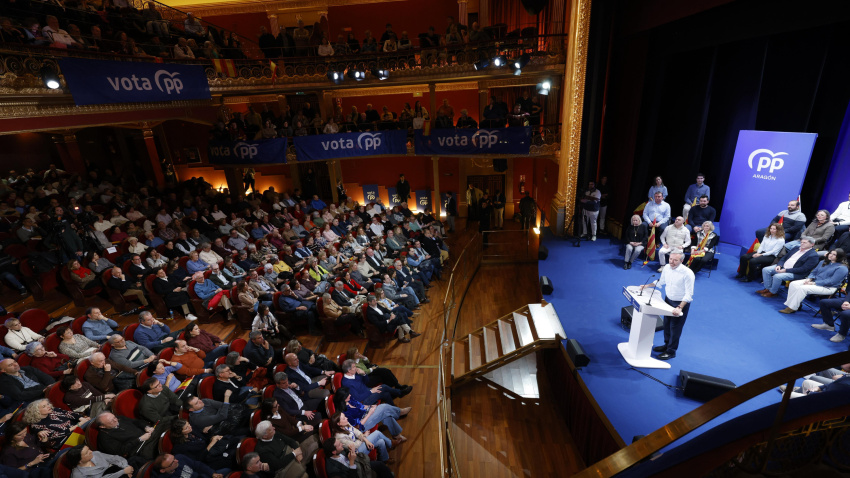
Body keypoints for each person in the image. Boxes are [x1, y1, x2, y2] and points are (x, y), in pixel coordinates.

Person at [638, 252, 694, 360]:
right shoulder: (667, 267)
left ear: (682, 261)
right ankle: (666, 345)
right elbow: (661, 281)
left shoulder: (688, 273)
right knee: (667, 325)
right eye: (670, 259)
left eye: (675, 260)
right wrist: (647, 286)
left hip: (680, 303)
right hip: (668, 300)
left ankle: (671, 351)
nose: (672, 262)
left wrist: (680, 307)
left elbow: (689, 294)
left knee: (675, 328)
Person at [779, 249, 847, 314]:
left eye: (834, 255)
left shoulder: (842, 268)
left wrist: (813, 283)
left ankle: (792, 308)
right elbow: (814, 272)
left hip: (828, 287)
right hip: (814, 281)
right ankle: (795, 305)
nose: (831, 255)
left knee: (803, 288)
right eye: (830, 253)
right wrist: (809, 279)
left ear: (839, 257)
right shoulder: (823, 262)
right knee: (793, 284)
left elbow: (832, 281)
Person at [328, 411, 393, 463]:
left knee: (381, 442)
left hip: (359, 443)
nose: (346, 418)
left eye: (345, 416)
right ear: (338, 424)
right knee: (377, 433)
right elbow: (355, 446)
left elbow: (357, 432)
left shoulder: (346, 424)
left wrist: (366, 440)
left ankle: (384, 459)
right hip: (357, 453)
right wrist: (364, 437)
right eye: (344, 418)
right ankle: (391, 444)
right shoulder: (339, 437)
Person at [66, 445, 133, 478]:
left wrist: (126, 467)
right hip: (113, 475)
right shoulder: (78, 475)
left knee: (134, 459)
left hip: (116, 469)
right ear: (80, 461)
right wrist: (122, 472)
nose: (91, 451)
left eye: (89, 449)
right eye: (86, 453)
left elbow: (114, 458)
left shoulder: (95, 454)